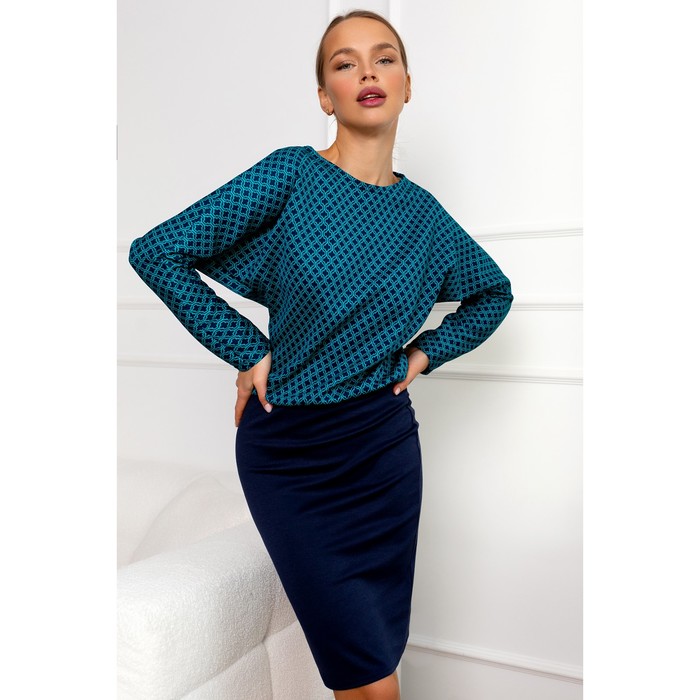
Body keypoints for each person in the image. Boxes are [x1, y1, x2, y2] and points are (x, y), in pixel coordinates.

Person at [128, 9, 513, 700]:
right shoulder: (292, 175)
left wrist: (424, 354)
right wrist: (247, 348)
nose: (367, 71)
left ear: (407, 84)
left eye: (384, 57)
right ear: (324, 96)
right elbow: (157, 252)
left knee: (376, 664)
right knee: (364, 674)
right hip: (292, 454)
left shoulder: (425, 218)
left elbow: (494, 293)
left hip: (383, 452)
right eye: (344, 62)